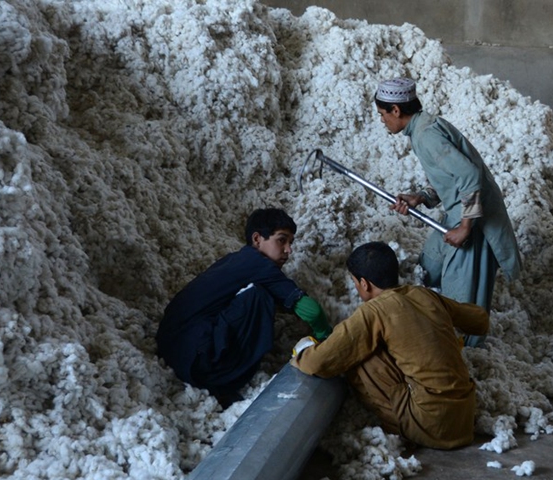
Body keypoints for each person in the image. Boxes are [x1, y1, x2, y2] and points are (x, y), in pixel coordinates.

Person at [291, 241, 488, 449]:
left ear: (364, 283)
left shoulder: (375, 310)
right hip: (464, 417)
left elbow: (321, 362)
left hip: (432, 425)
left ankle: (397, 425)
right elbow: (481, 321)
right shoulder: (424, 294)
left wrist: (303, 350)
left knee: (359, 354)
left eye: (355, 282)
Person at [375, 77, 521, 345]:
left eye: (383, 114)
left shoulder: (427, 134)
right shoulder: (421, 129)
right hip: (456, 213)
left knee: (462, 300)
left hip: (473, 220)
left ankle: (466, 355)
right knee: (428, 268)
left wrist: (465, 228)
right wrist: (420, 197)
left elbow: (468, 175)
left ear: (396, 110)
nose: (382, 120)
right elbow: (450, 178)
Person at [156, 208, 332, 408]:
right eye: (281, 240)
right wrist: (328, 339)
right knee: (260, 295)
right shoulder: (261, 266)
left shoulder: (234, 260)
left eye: (291, 243)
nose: (288, 250)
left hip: (174, 352)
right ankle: (226, 380)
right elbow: (312, 311)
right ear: (257, 239)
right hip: (202, 363)